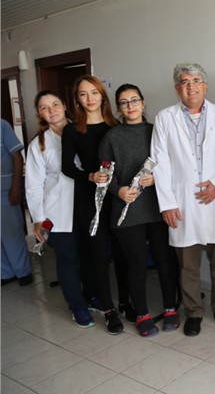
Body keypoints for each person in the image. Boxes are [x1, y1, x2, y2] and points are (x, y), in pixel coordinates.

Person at [152, 63, 215, 337]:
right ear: (177, 88)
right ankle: (193, 312)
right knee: (187, 265)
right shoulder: (165, 118)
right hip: (182, 201)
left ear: (205, 86)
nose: (191, 86)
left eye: (196, 80)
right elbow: (159, 162)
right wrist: (167, 203)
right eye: (185, 81)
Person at [99, 84, 180, 337]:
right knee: (136, 263)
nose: (130, 106)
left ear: (143, 103)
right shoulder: (111, 137)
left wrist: (157, 178)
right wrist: (118, 191)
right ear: (119, 108)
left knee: (165, 260)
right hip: (127, 210)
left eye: (134, 100)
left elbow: (175, 164)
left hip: (157, 207)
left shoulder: (157, 131)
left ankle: (170, 308)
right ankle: (142, 314)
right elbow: (104, 175)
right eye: (124, 102)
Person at [61, 75, 126, 335]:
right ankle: (109, 311)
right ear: (77, 99)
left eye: (94, 93)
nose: (89, 98)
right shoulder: (72, 130)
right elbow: (67, 167)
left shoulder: (115, 125)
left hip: (117, 198)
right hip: (90, 201)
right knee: (98, 256)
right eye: (83, 94)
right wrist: (89, 176)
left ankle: (125, 303)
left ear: (102, 95)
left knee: (122, 253)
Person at [25, 91, 94, 326]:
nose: (51, 110)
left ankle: (91, 295)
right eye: (44, 108)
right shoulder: (39, 144)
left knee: (90, 255)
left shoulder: (83, 129)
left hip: (86, 204)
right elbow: (33, 185)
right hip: (57, 210)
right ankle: (78, 306)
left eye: (55, 104)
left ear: (64, 106)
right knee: (67, 258)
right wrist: (38, 218)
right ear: (40, 114)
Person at [1, 118, 32, 286]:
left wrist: (16, 186)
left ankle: (23, 271)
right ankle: (6, 273)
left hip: (5, 190)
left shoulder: (2, 125)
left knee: (12, 232)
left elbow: (17, 157)